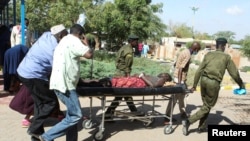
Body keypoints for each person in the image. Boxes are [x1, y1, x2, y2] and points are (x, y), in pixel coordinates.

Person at [39, 24, 93, 141]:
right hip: (66, 85)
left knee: (71, 115)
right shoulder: (74, 40)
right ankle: (46, 137)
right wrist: (86, 43)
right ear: (80, 34)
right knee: (76, 115)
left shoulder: (63, 41)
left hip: (60, 83)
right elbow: (89, 54)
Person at [182, 38, 245, 136]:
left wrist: (194, 85)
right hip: (213, 83)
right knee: (207, 106)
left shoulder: (209, 55)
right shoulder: (226, 57)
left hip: (203, 81)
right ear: (224, 46)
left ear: (216, 45)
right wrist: (241, 84)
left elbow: (199, 70)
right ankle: (189, 121)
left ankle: (201, 127)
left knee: (205, 105)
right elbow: (234, 74)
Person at [17, 24, 68, 141]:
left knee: (40, 104)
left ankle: (36, 136)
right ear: (60, 36)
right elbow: (58, 69)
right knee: (51, 103)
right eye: (66, 36)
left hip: (24, 71)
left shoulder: (47, 35)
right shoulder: (54, 49)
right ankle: (34, 128)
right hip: (33, 75)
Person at [105, 35, 142, 118]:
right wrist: (128, 73)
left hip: (121, 74)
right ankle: (134, 112)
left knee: (123, 95)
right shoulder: (128, 51)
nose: (137, 43)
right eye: (135, 41)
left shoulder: (125, 48)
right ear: (131, 41)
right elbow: (123, 64)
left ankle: (133, 112)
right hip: (122, 75)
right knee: (123, 95)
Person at [164, 41, 201, 124]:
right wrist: (180, 83)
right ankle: (167, 117)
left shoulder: (184, 51)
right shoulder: (188, 54)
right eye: (198, 50)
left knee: (182, 97)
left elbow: (176, 64)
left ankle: (183, 113)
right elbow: (181, 68)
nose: (197, 52)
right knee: (174, 98)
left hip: (178, 77)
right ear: (196, 48)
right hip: (179, 79)